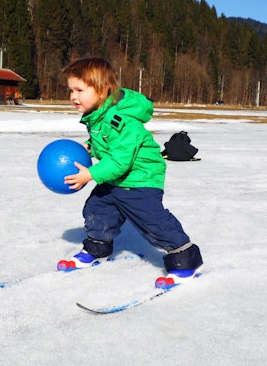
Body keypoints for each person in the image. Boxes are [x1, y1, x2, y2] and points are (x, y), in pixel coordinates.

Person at [57, 57, 203, 289]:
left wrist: (91, 174)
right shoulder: (99, 115)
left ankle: (185, 261)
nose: (73, 96)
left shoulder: (121, 120)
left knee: (153, 222)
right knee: (97, 209)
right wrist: (90, 146)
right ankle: (97, 247)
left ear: (103, 91)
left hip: (141, 179)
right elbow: (106, 142)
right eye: (71, 90)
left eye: (79, 90)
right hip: (117, 179)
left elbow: (120, 160)